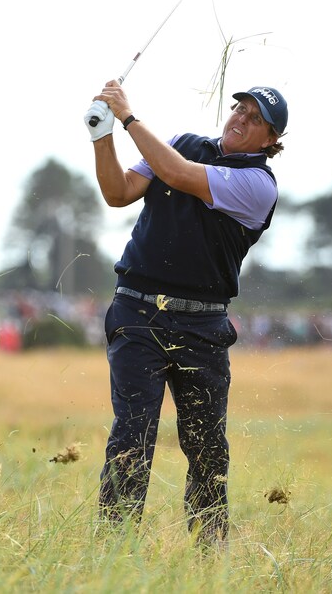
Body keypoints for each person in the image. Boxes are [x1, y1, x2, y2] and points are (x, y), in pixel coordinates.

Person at [85, 81, 287, 546]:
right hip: (137, 312)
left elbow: (178, 175)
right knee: (132, 434)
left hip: (202, 326)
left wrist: (129, 118)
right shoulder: (180, 143)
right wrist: (102, 134)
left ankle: (209, 555)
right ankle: (114, 550)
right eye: (241, 108)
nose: (241, 119)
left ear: (270, 141)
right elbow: (119, 192)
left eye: (256, 119)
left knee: (206, 448)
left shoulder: (258, 185)